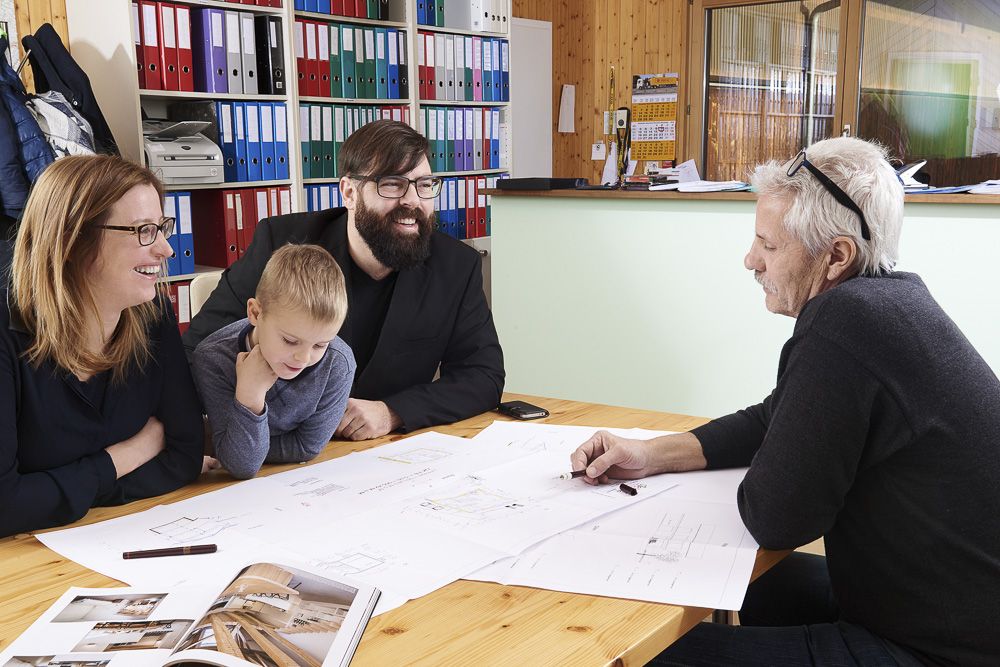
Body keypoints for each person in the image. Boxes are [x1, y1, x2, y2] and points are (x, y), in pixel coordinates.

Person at [571, 137, 1000, 666]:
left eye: (769, 245)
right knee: (747, 589)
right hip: (941, 608)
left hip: (935, 648)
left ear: (836, 256)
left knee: (635, 655)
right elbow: (774, 416)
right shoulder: (893, 302)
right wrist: (654, 452)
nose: (750, 260)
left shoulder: (848, 322)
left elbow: (776, 518)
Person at [183, 119, 504, 440]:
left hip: (384, 451)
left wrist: (392, 411)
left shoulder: (456, 266)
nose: (412, 201)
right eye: (392, 184)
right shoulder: (280, 244)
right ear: (349, 192)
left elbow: (482, 375)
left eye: (424, 184)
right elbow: (195, 353)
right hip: (276, 449)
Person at [0, 154, 207, 538]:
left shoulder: (152, 311)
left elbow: (184, 456)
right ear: (73, 240)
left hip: (114, 535)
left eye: (162, 227)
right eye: (143, 230)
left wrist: (61, 492)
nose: (166, 250)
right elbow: (4, 507)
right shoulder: (6, 335)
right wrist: (122, 458)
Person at [192, 244, 356, 479]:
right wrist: (250, 397)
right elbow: (241, 466)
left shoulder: (339, 363)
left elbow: (308, 447)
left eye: (320, 345)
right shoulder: (213, 360)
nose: (304, 357)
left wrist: (230, 446)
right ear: (255, 313)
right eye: (290, 341)